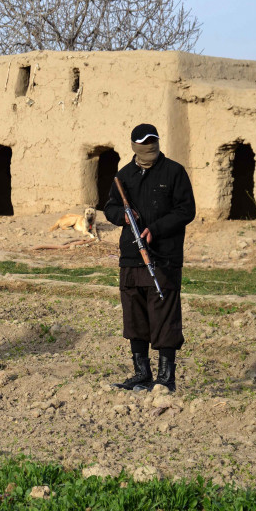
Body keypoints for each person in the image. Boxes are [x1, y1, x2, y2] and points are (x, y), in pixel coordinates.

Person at [103, 123, 196, 392]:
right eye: (144, 143)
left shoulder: (174, 172)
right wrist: (122, 216)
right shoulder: (124, 176)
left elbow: (185, 210)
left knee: (164, 315)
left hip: (164, 256)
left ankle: (166, 378)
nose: (150, 147)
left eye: (153, 141)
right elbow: (109, 207)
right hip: (131, 258)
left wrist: (155, 229)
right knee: (135, 316)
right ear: (134, 146)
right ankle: (141, 373)